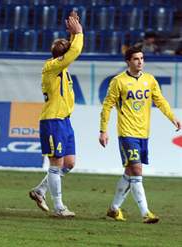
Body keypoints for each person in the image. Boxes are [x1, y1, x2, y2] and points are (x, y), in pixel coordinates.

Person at [99, 46, 181, 223]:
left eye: (142, 58)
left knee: (129, 171)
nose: (140, 62)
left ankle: (114, 209)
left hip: (143, 134)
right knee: (137, 170)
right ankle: (145, 213)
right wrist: (103, 130)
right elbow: (107, 106)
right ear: (128, 61)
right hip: (127, 133)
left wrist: (173, 117)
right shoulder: (118, 81)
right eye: (136, 59)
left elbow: (160, 101)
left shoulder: (150, 80)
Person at [28, 12, 83, 217]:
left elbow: (70, 51)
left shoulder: (62, 68)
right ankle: (59, 207)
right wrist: (79, 34)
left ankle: (40, 190)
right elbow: (74, 51)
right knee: (55, 163)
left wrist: (71, 35)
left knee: (69, 163)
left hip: (64, 121)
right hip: (52, 121)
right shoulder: (51, 66)